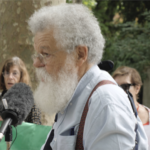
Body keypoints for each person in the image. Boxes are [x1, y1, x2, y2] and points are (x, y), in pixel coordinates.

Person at [28, 4, 148, 150]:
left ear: (80, 54)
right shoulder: (74, 95)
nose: (36, 63)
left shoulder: (105, 103)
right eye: (37, 54)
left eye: (45, 54)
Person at [112, 66, 150, 149]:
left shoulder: (148, 114)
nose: (119, 91)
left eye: (125, 86)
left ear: (137, 88)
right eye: (115, 87)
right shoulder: (111, 117)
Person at [0, 56, 41, 124]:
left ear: (21, 76)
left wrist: (19, 124)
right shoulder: (1, 99)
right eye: (7, 73)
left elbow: (36, 129)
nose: (10, 77)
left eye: (14, 73)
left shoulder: (32, 101)